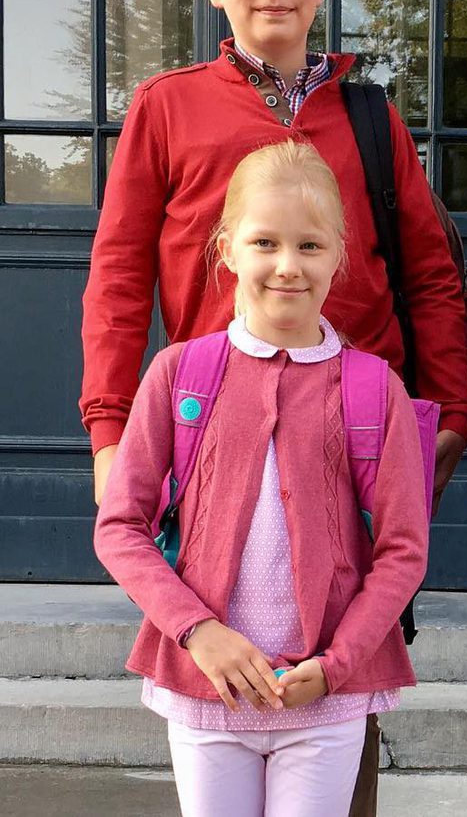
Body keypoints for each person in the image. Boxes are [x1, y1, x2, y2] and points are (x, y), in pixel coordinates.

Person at [81, 0, 467, 811]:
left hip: (352, 442)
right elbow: (120, 275)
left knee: (342, 694)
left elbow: (428, 272)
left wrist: (448, 413)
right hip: (214, 443)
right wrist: (106, 427)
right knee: (221, 652)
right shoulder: (167, 108)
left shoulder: (371, 117)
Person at [94, 141, 429, 817]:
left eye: (309, 246)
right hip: (206, 693)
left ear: (340, 252)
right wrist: (198, 632)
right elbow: (119, 527)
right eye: (264, 242)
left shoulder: (373, 389)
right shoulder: (180, 374)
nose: (286, 266)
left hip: (323, 699)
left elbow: (402, 550)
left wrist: (337, 665)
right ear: (227, 249)